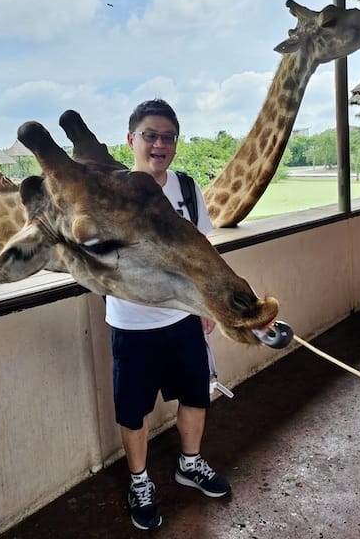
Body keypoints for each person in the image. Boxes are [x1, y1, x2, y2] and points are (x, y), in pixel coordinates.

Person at [107, 98, 230, 530]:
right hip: (132, 324)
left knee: (196, 396)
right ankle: (140, 482)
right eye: (150, 135)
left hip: (183, 318)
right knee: (133, 411)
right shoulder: (112, 194)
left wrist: (207, 303)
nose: (159, 145)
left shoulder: (187, 189)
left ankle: (189, 464)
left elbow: (202, 251)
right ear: (131, 140)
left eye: (168, 137)